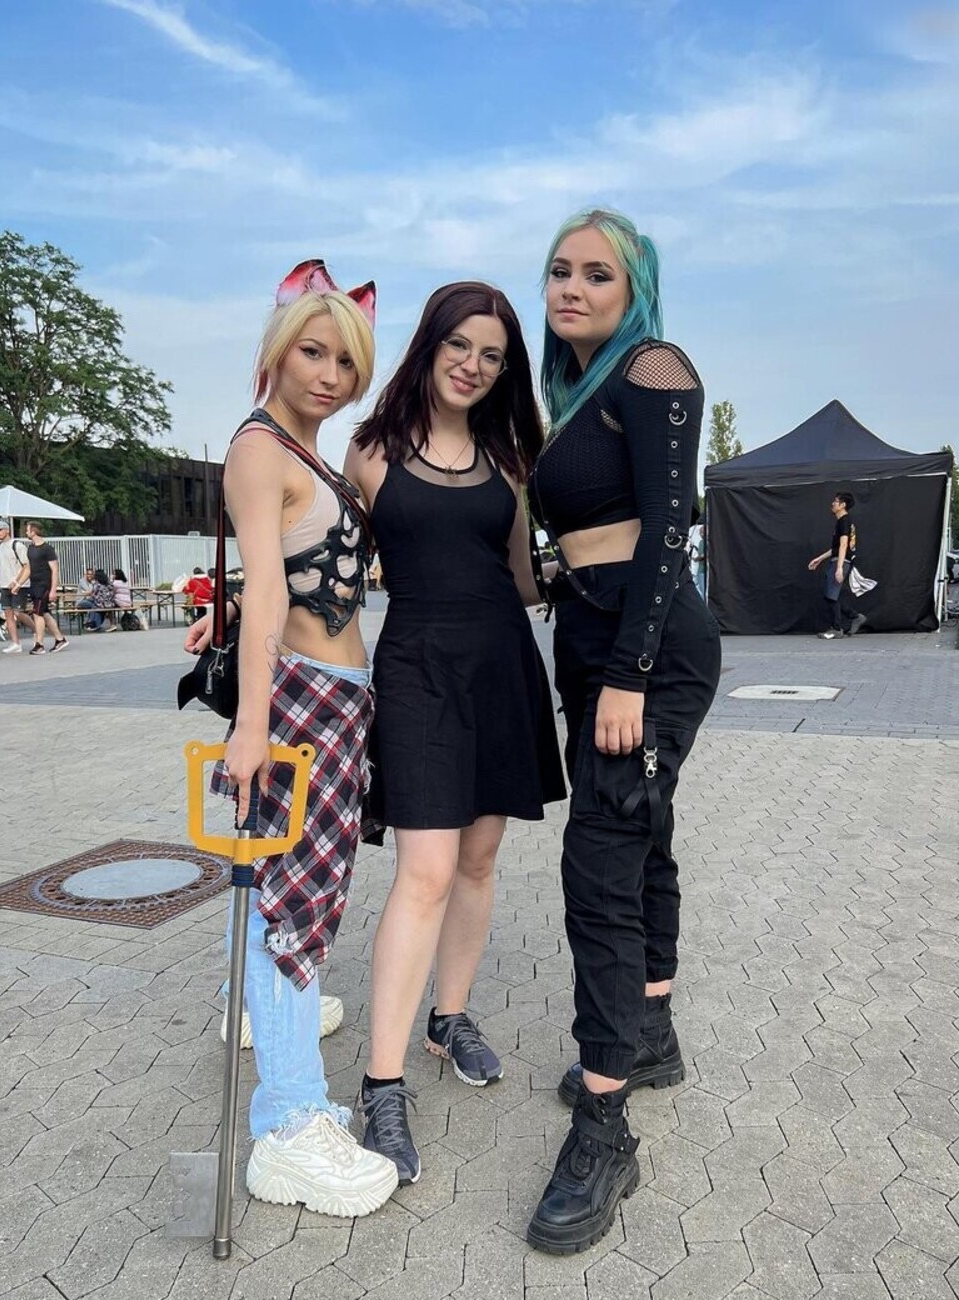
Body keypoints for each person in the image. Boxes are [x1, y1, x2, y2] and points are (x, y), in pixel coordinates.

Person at [182, 257, 398, 1218]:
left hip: (337, 698)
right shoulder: (260, 448)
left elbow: (286, 567)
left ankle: (288, 1048)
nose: (329, 375)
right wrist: (252, 725)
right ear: (276, 350)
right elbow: (271, 590)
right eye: (313, 353)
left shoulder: (307, 453)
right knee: (291, 905)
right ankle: (287, 1127)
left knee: (307, 898)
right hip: (300, 700)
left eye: (346, 362)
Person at [525, 209, 721, 1253]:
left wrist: (629, 674)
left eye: (597, 274)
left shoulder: (653, 366)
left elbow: (670, 527)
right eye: (559, 271)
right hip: (594, 637)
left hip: (643, 649)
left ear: (634, 288)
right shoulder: (576, 394)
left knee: (598, 863)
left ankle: (604, 1128)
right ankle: (648, 1034)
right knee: (639, 834)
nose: (572, 287)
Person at [344, 282, 565, 1187]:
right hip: (416, 673)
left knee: (477, 861)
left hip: (500, 668)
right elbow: (327, 566)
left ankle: (450, 1016)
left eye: (493, 356)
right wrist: (243, 618)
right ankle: (380, 1083)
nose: (474, 366)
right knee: (425, 870)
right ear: (430, 345)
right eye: (461, 346)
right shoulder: (369, 453)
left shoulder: (508, 460)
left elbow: (521, 579)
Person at [808, 492, 864, 638]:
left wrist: (839, 568)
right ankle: (855, 617)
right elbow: (836, 548)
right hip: (840, 560)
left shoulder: (844, 521)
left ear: (843, 505)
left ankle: (837, 629)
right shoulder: (843, 521)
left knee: (831, 595)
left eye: (836, 501)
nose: (832, 504)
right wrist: (819, 559)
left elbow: (844, 545)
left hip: (841, 562)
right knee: (832, 595)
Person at [12, 521, 69, 655]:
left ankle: (39, 644)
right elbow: (29, 569)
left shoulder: (47, 549)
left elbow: (55, 570)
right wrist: (18, 584)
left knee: (37, 614)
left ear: (34, 531)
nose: (26, 532)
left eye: (27, 530)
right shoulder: (31, 548)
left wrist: (53, 589)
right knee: (44, 613)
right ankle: (60, 639)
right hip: (34, 584)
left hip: (44, 585)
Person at [0, 520, 35, 653]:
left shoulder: (17, 545)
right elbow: (0, 565)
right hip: (4, 584)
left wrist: (17, 581)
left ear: (7, 530)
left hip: (19, 584)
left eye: (0, 530)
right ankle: (15, 642)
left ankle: (37, 630)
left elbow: (26, 565)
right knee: (8, 613)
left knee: (18, 612)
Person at [687, 515, 706, 600]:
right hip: (699, 566)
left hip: (699, 566)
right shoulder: (695, 531)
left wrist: (695, 558)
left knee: (699, 585)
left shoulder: (693, 530)